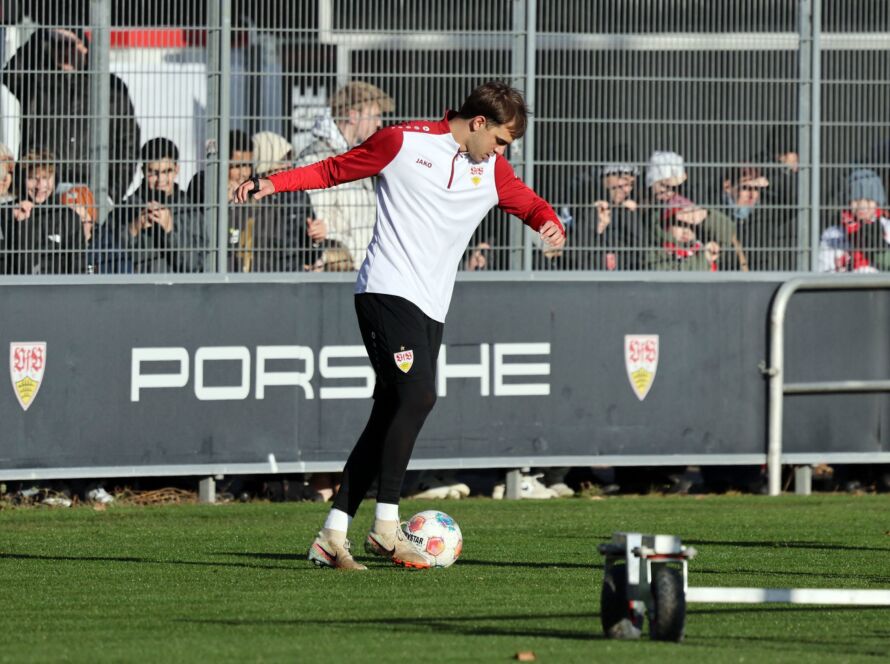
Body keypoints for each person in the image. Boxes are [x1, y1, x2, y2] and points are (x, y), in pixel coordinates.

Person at [235, 81, 566, 570]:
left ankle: (332, 536)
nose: (502, 152)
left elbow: (531, 204)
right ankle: (387, 526)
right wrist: (272, 183)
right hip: (386, 291)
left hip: (431, 307)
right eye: (500, 140)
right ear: (479, 123)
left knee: (390, 413)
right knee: (419, 396)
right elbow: (333, 169)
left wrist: (549, 223)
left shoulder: (494, 170)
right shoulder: (403, 142)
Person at [2, 28, 140, 203]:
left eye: (70, 44)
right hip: (41, 188)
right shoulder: (37, 80)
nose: (65, 51)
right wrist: (44, 32)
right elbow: (10, 74)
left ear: (85, 47)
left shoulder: (109, 86)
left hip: (91, 190)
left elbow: (128, 144)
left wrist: (111, 194)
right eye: (58, 44)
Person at [294, 81, 396, 269]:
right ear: (353, 116)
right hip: (335, 272)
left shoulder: (356, 159)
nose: (379, 123)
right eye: (375, 116)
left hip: (361, 269)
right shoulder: (317, 159)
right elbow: (317, 223)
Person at [97, 138, 206, 274]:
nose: (161, 180)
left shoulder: (190, 211)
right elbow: (99, 258)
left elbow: (197, 265)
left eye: (167, 171)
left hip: (179, 287)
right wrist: (133, 228)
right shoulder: (125, 210)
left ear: (176, 170)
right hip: (137, 286)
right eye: (153, 172)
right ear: (143, 171)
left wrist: (170, 231)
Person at [1, 149, 84, 275]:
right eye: (32, 178)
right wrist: (20, 225)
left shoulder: (68, 218)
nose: (40, 186)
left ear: (55, 179)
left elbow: (81, 267)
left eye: (46, 178)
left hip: (57, 287)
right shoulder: (5, 213)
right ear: (21, 180)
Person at [818, 168, 890, 272]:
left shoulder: (887, 227)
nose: (862, 206)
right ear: (848, 202)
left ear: (878, 202)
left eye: (869, 200)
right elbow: (823, 269)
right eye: (856, 200)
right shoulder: (833, 233)